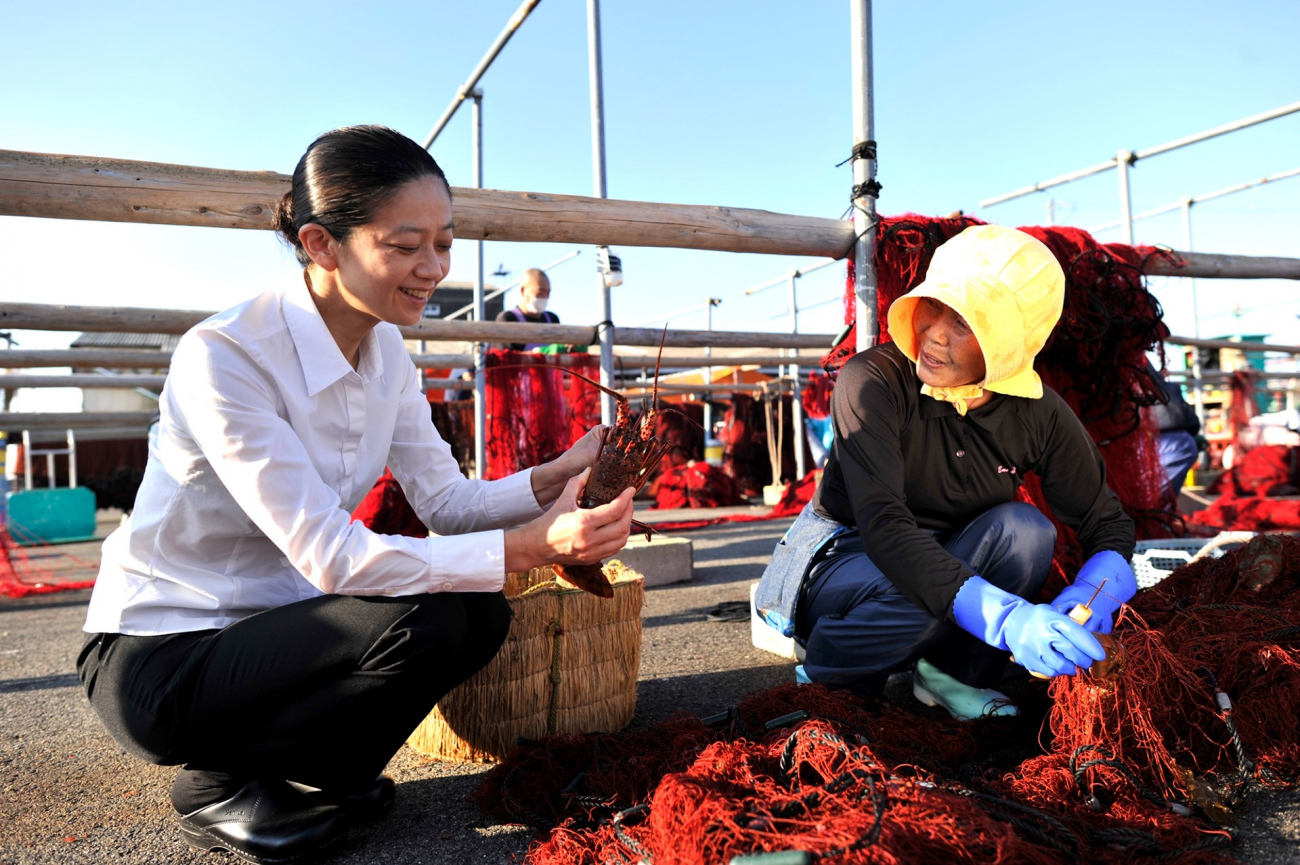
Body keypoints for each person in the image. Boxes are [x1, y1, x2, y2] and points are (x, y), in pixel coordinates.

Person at [76, 125, 634, 864]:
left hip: (278, 630)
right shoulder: (227, 356)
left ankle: (321, 768)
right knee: (424, 614)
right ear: (322, 244)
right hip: (163, 653)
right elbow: (336, 559)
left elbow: (448, 503)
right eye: (405, 246)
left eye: (445, 241)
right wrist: (531, 544)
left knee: (476, 613)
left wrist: (559, 473)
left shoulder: (387, 356)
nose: (433, 267)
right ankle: (218, 782)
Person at [755, 225, 1138, 722]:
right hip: (849, 558)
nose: (934, 332)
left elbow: (1107, 522)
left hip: (954, 558)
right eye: (934, 305)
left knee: (1028, 530)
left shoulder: (1037, 411)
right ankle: (833, 667)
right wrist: (1007, 619)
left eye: (966, 322)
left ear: (1011, 345)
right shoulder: (872, 380)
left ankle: (950, 675)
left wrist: (1092, 595)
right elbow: (885, 529)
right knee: (921, 584)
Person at [1150, 371, 1201, 492]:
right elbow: (1192, 420)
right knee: (1154, 495)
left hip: (1165, 442)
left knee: (1154, 495)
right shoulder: (1169, 387)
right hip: (1175, 443)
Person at [495, 268, 559, 351]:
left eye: (548, 293)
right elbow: (504, 359)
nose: (544, 297)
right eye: (540, 292)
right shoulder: (508, 319)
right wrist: (537, 353)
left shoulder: (553, 319)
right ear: (523, 290)